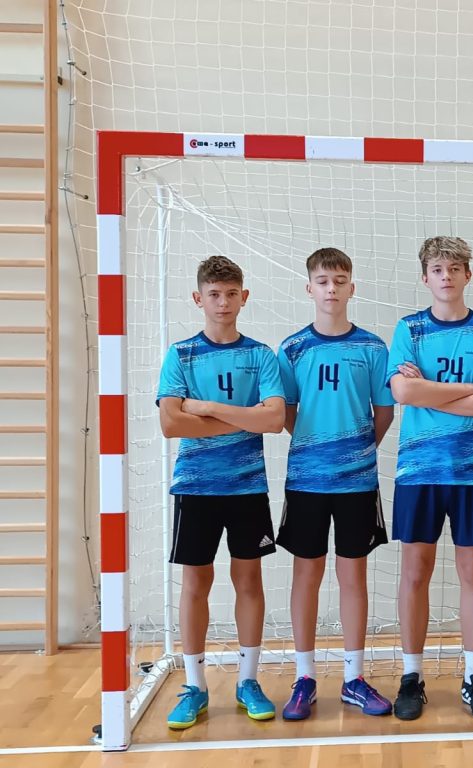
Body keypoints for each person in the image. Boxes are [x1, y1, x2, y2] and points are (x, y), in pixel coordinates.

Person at [387, 236, 473, 721]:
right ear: (426, 277)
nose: (446, 276)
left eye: (455, 268)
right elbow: (403, 392)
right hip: (418, 471)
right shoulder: (410, 329)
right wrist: (471, 389)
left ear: (468, 275)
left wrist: (429, 390)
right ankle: (411, 676)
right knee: (414, 573)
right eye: (438, 269)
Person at [158, 255, 285, 730]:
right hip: (196, 486)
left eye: (231, 293)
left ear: (244, 297)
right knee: (196, 583)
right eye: (214, 294)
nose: (223, 302)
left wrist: (208, 408)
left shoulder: (260, 355)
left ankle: (248, 680)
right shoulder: (181, 354)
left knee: (248, 581)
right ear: (199, 298)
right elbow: (171, 423)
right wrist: (244, 417)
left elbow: (274, 419)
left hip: (247, 487)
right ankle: (194, 686)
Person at [276, 247, 395, 720]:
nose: (331, 289)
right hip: (306, 480)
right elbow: (285, 412)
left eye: (339, 281)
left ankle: (353, 678)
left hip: (357, 483)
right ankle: (304, 678)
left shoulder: (372, 348)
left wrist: (353, 452)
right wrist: (318, 448)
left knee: (353, 575)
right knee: (306, 574)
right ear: (310, 288)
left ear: (352, 287)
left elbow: (383, 412)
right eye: (323, 281)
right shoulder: (292, 349)